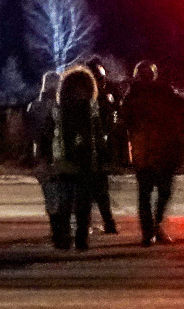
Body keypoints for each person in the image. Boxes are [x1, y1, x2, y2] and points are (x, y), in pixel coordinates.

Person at [122, 60, 184, 245]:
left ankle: (151, 229)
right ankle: (152, 229)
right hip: (152, 148)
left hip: (154, 148)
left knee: (154, 192)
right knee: (154, 191)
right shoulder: (139, 94)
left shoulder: (155, 93)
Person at [40, 67, 103, 250]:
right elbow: (97, 137)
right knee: (75, 204)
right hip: (75, 162)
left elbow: (46, 135)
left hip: (68, 162)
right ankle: (75, 239)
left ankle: (70, 238)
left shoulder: (61, 110)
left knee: (69, 204)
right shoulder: (87, 111)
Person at [86, 58, 122, 235]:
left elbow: (112, 124)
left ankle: (108, 223)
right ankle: (104, 223)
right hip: (87, 149)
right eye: (99, 78)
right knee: (94, 190)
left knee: (99, 189)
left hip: (96, 150)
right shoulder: (90, 100)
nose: (102, 82)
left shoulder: (104, 98)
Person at [26, 71, 61, 223]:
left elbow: (29, 131)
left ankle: (55, 221)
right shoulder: (59, 105)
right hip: (55, 151)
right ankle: (60, 223)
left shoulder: (34, 105)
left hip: (40, 151)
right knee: (60, 189)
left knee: (49, 190)